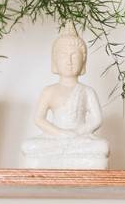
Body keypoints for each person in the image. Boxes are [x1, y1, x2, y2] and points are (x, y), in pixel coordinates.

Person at [22, 22, 110, 169]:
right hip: (55, 138)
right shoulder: (49, 90)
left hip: (79, 138)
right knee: (28, 146)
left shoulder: (87, 91)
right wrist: (60, 133)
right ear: (54, 60)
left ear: (83, 62)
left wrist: (76, 133)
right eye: (63, 56)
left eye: (75, 57)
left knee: (102, 147)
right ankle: (61, 152)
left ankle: (64, 153)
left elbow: (96, 119)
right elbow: (38, 118)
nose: (69, 62)